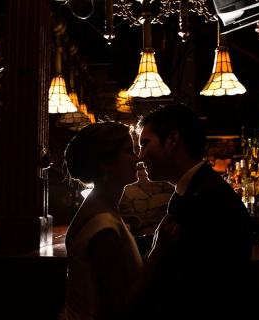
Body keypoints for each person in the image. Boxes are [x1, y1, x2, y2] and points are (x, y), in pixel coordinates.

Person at [135, 103, 254, 319]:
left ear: (173, 140)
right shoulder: (193, 188)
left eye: (144, 144)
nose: (140, 156)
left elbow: (189, 283)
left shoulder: (209, 198)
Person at [58, 122, 180, 320]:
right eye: (129, 151)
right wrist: (158, 252)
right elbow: (119, 308)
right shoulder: (103, 226)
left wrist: (157, 245)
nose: (138, 158)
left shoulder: (101, 206)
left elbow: (127, 275)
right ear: (105, 163)